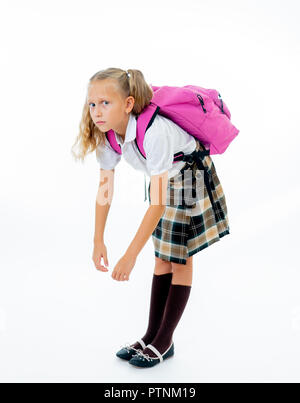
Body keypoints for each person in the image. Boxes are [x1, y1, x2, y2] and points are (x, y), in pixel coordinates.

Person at [71, 67, 230, 367]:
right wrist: (97, 240)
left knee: (179, 260)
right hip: (163, 176)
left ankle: (164, 340)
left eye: (106, 103)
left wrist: (130, 256)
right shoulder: (108, 137)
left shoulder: (155, 133)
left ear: (128, 104)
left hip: (188, 176)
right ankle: (150, 335)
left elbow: (156, 206)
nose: (97, 111)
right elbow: (105, 190)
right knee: (161, 259)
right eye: (93, 103)